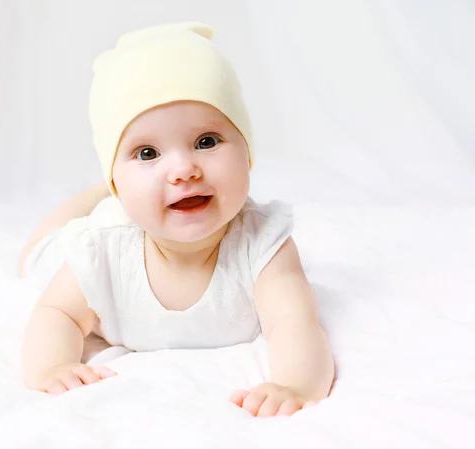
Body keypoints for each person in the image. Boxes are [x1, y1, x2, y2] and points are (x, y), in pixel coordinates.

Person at [19, 22, 334, 417]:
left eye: (206, 142)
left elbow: (294, 321)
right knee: (36, 250)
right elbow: (57, 314)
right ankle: (97, 194)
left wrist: (295, 383)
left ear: (247, 151)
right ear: (117, 175)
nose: (183, 170)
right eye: (147, 153)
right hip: (68, 245)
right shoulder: (101, 245)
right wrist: (53, 366)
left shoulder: (262, 242)